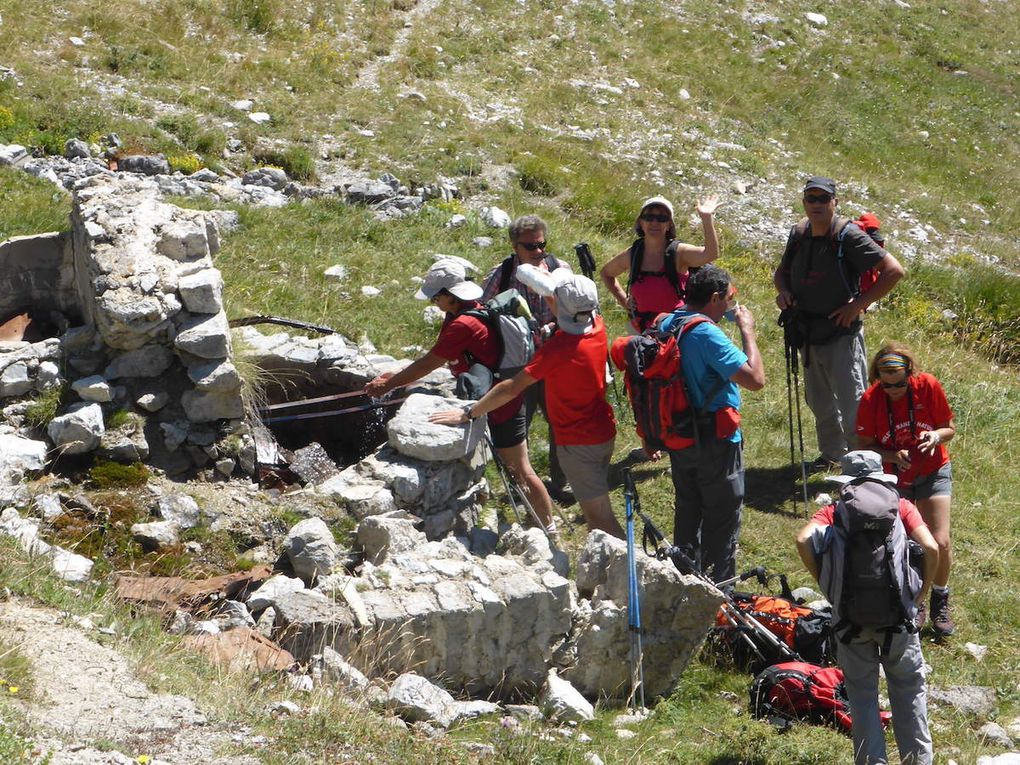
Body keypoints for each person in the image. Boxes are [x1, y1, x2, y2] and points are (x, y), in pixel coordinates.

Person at [364, 258, 555, 530]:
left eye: (436, 298)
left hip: (501, 402)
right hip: (494, 394)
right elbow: (437, 356)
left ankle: (547, 526)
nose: (435, 304)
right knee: (517, 468)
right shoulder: (465, 313)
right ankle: (538, 520)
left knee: (520, 469)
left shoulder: (462, 325)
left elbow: (430, 363)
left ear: (450, 296)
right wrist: (393, 376)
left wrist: (391, 384)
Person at [431, 272, 624, 539]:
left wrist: (469, 412)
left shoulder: (559, 350)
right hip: (602, 431)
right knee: (596, 519)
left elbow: (510, 388)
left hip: (578, 443)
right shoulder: (597, 326)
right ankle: (598, 574)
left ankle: (629, 575)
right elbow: (565, 307)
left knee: (601, 519)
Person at [796, 450, 939, 765]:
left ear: (846, 481)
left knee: (862, 697)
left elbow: (803, 540)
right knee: (909, 691)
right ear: (880, 475)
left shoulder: (835, 510)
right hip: (899, 619)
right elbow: (930, 547)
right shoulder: (901, 506)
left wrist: (826, 583)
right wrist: (919, 596)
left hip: (850, 621)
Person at [774, 176, 905, 468]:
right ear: (804, 202)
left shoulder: (849, 236)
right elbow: (781, 273)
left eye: (823, 199)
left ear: (835, 202)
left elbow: (894, 271)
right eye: (812, 198)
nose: (817, 204)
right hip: (807, 331)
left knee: (853, 403)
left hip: (841, 332)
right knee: (818, 400)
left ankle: (863, 464)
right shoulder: (799, 233)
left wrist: (859, 304)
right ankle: (832, 455)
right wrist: (784, 293)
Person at [656, 265, 764, 582]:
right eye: (729, 299)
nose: (730, 305)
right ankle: (719, 595)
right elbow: (755, 379)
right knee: (721, 519)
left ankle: (683, 580)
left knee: (688, 510)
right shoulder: (705, 333)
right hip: (715, 440)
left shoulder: (666, 321)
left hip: (678, 434)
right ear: (714, 297)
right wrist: (748, 332)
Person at [856, 343, 956, 637]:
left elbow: (948, 427)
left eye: (899, 384)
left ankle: (940, 598)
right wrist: (892, 456)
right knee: (904, 544)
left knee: (939, 541)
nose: (893, 390)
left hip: (933, 470)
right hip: (893, 478)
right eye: (886, 385)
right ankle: (915, 599)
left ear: (910, 373)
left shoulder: (928, 386)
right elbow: (864, 447)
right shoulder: (871, 399)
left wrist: (935, 436)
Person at [481, 214, 572, 502]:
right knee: (519, 422)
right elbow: (485, 310)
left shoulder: (559, 270)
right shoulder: (503, 273)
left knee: (559, 421)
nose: (538, 252)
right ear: (514, 246)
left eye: (541, 244)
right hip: (518, 361)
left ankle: (562, 483)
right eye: (530, 247)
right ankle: (522, 484)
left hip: (555, 358)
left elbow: (577, 311)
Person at [601, 194, 721, 333]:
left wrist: (706, 218)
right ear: (640, 222)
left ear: (669, 224)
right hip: (641, 332)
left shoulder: (679, 253)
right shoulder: (633, 254)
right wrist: (624, 301)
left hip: (674, 331)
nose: (654, 222)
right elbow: (606, 273)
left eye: (662, 218)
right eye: (649, 217)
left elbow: (710, 254)